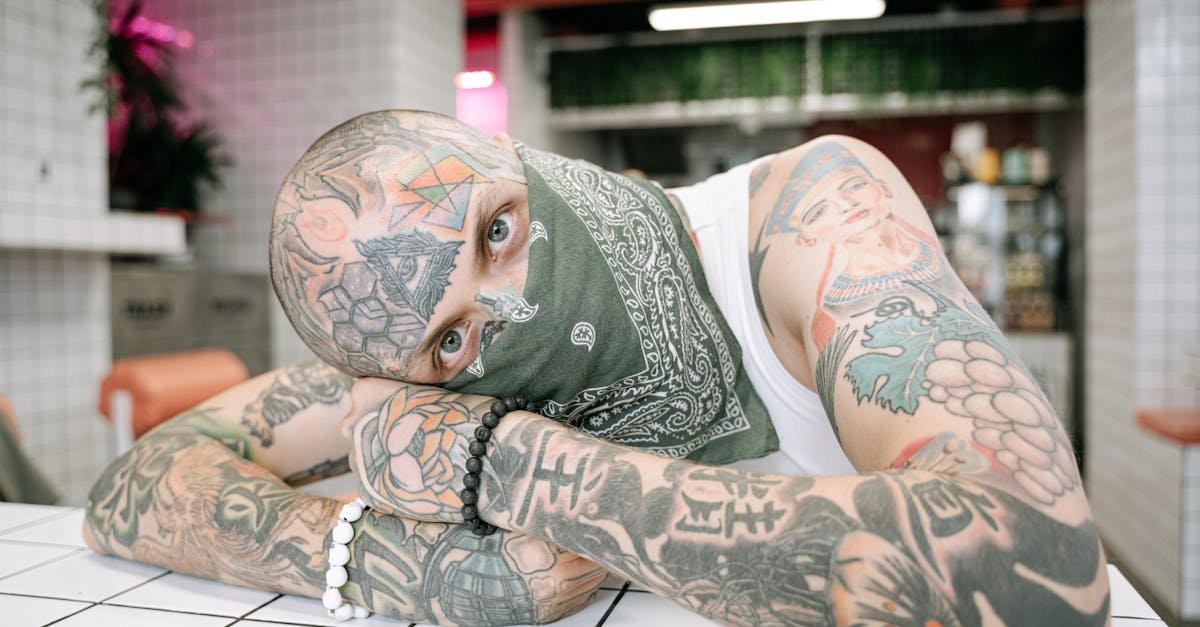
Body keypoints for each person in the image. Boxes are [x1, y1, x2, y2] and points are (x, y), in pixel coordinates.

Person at [84, 110, 1109, 626]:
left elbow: (1043, 570)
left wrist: (501, 464)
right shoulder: (447, 382)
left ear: (521, 154)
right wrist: (406, 567)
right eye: (449, 336)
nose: (516, 307)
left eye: (498, 228)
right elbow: (134, 485)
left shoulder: (810, 218)